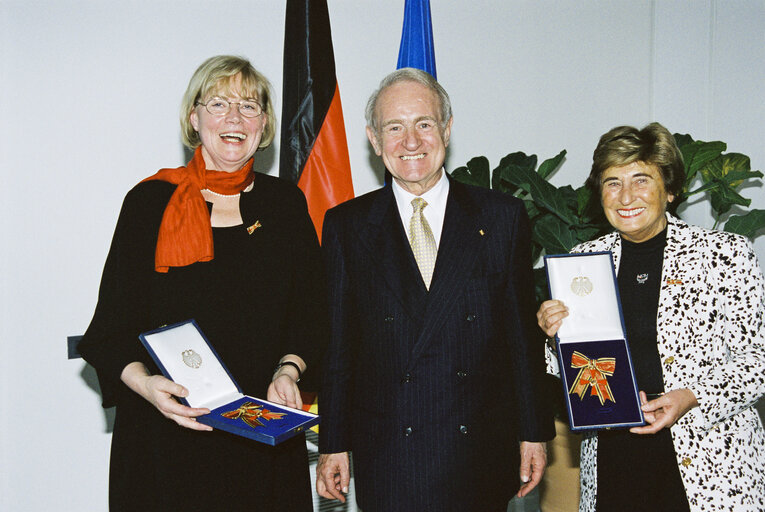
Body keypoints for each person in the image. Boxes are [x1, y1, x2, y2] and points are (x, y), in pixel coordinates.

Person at [78, 55, 326, 511]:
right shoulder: (149, 202)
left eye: (249, 106)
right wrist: (149, 387)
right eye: (218, 104)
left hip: (261, 443)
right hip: (165, 438)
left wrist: (288, 370)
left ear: (265, 123)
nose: (234, 118)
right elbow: (109, 330)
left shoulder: (286, 205)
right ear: (194, 118)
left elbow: (313, 313)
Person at [316, 68, 554, 512]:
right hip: (389, 450)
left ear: (446, 128)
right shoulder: (347, 225)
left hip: (477, 447)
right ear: (373, 138)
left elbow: (522, 336)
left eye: (424, 124)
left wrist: (534, 431)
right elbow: (338, 345)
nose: (411, 142)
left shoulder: (501, 217)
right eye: (394, 127)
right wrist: (333, 442)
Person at [537, 122, 765, 512]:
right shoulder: (579, 263)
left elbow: (759, 359)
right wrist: (552, 337)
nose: (626, 196)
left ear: (670, 190)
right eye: (612, 182)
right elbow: (566, 372)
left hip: (708, 462)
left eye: (641, 179)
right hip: (614, 459)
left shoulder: (724, 254)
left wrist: (691, 397)